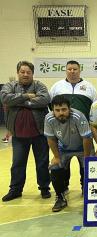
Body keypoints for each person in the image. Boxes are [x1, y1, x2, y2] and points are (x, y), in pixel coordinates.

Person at [1, 61, 51, 201]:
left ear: (32, 74)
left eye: (28, 72)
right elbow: (5, 98)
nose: (25, 74)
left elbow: (45, 99)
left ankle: (44, 188)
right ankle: (15, 189)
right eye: (22, 72)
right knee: (17, 163)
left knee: (42, 162)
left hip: (39, 134)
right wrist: (27, 96)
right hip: (18, 135)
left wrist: (18, 102)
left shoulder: (39, 85)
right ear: (18, 73)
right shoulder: (10, 86)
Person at [49, 60, 97, 192]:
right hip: (63, 133)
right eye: (69, 69)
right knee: (62, 163)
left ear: (79, 70)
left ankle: (85, 188)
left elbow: (94, 109)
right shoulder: (56, 87)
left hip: (84, 134)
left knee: (86, 164)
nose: (72, 71)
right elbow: (51, 108)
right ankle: (63, 188)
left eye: (75, 69)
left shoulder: (89, 87)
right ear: (66, 70)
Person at [44, 95, 92, 211]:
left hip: (82, 147)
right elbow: (50, 139)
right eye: (57, 110)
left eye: (64, 109)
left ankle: (87, 192)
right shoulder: (49, 119)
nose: (61, 113)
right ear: (53, 110)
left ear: (69, 109)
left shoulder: (78, 116)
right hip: (63, 148)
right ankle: (60, 197)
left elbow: (87, 138)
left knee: (88, 167)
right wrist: (56, 157)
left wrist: (86, 158)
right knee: (55, 167)